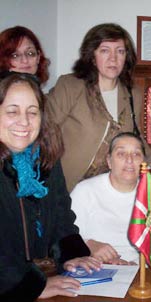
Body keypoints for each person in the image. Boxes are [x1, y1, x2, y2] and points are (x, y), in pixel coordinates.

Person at [0, 72, 102, 301]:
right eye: (12, 111)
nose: (24, 121)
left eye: (32, 112)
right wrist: (33, 286)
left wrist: (72, 255)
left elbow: (60, 214)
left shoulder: (45, 160)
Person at [46, 23, 151, 192]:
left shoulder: (133, 93)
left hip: (110, 186)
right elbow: (45, 128)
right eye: (105, 50)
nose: (113, 58)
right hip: (68, 185)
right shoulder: (71, 86)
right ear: (92, 56)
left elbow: (136, 136)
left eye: (120, 51)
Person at [70, 132, 151, 267]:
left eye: (136, 154)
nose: (129, 160)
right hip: (93, 267)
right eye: (121, 154)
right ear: (109, 161)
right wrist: (89, 244)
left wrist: (135, 266)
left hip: (139, 270)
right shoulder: (84, 191)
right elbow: (66, 238)